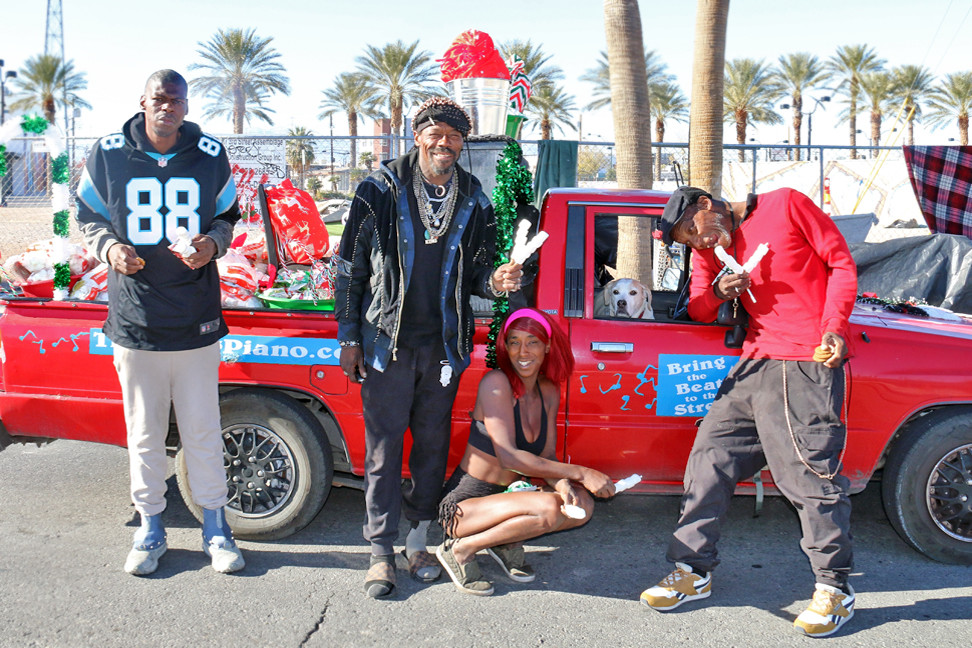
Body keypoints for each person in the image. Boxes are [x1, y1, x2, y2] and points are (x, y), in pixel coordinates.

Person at [640, 186, 858, 637]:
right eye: (686, 242)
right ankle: (693, 570)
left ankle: (835, 589)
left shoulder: (786, 204)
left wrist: (834, 326)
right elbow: (698, 308)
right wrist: (719, 290)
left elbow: (841, 262)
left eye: (691, 231)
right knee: (709, 459)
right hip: (753, 363)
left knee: (808, 476)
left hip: (805, 360)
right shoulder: (710, 249)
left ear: (706, 206)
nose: (697, 243)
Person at [334, 96, 523, 598]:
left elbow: (478, 272)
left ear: (462, 144)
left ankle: (417, 542)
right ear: (417, 136)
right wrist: (349, 336)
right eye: (435, 133)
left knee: (431, 449)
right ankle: (380, 551)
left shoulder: (474, 198)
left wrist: (495, 281)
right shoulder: (379, 189)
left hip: (442, 348)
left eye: (454, 136)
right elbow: (350, 267)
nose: (444, 143)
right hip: (386, 344)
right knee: (383, 450)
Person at [75, 69, 244, 576]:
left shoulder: (210, 154)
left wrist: (213, 244)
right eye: (159, 99)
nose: (167, 107)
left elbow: (227, 217)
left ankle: (216, 527)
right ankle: (150, 527)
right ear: (142, 102)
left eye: (176, 100)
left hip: (195, 318)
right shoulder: (108, 153)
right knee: (144, 432)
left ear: (186, 106)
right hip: (136, 318)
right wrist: (110, 248)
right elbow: (88, 217)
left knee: (203, 429)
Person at [435, 308, 615, 595]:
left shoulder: (549, 390)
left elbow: (547, 458)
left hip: (511, 497)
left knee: (582, 504)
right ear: (505, 347)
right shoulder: (496, 383)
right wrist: (581, 473)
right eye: (514, 342)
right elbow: (508, 457)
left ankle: (504, 541)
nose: (523, 351)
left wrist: (564, 484)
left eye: (532, 342)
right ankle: (461, 549)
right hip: (465, 507)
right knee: (548, 509)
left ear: (548, 346)